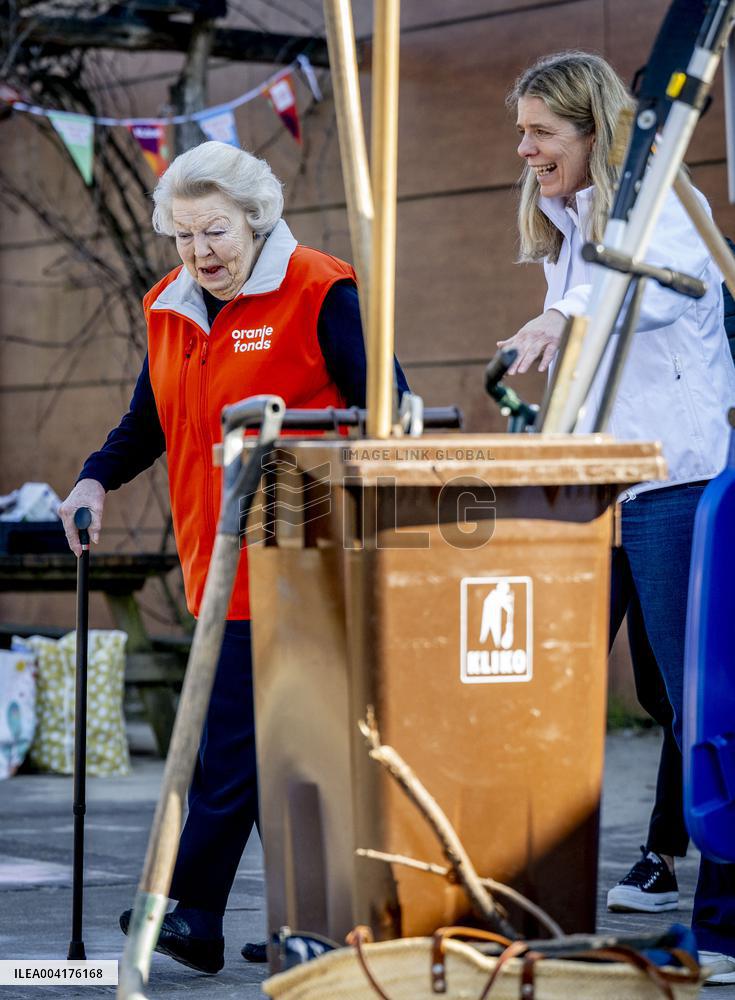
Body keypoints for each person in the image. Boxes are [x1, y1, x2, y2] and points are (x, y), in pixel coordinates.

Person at [58, 140, 409, 975]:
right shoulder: (169, 305)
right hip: (213, 564)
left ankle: (192, 910)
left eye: (214, 231)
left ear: (256, 218)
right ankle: (306, 923)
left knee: (234, 745)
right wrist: (93, 480)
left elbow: (387, 410)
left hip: (308, 558)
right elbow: (148, 421)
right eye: (181, 236)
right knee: (284, 754)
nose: (199, 252)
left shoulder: (318, 289)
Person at [501, 51, 735, 985]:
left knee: (699, 702)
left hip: (675, 481)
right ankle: (530, 888)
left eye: (539, 133)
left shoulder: (658, 206)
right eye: (520, 132)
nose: (523, 150)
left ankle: (721, 924)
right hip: (595, 486)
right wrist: (555, 316)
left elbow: (673, 298)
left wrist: (566, 318)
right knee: (547, 690)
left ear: (593, 131)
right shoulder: (569, 223)